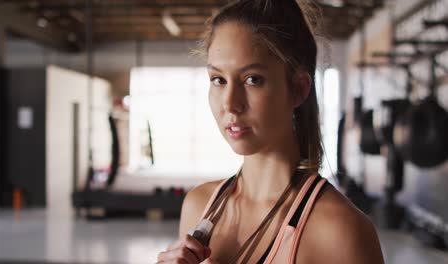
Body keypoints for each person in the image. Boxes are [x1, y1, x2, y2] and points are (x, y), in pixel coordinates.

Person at [157, 0, 384, 263]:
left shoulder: (339, 232)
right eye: (218, 79)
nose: (230, 103)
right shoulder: (198, 206)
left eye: (253, 79)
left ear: (298, 89)